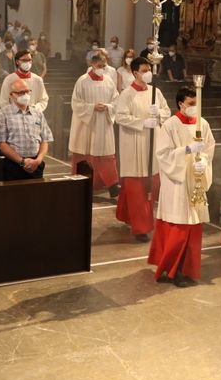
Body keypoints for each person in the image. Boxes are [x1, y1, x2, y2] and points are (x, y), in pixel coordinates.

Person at [149, 86, 215, 287]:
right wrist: (186, 150)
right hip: (176, 182)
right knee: (178, 228)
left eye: (196, 103)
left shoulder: (202, 123)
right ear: (180, 104)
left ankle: (187, 269)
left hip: (195, 180)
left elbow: (209, 149)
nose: (194, 107)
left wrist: (202, 161)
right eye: (191, 104)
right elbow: (163, 155)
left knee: (193, 228)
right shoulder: (170, 125)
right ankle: (173, 270)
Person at [114, 56, 170, 241]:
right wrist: (143, 122)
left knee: (150, 184)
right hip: (135, 143)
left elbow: (167, 111)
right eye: (144, 70)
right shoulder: (126, 94)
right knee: (136, 187)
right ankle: (141, 227)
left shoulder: (156, 92)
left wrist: (159, 114)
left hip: (153, 144)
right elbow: (120, 117)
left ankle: (126, 214)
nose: (148, 74)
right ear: (135, 72)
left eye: (149, 70)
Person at [69, 49, 121, 195]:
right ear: (92, 64)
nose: (102, 69)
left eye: (104, 66)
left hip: (103, 121)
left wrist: (108, 107)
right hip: (87, 124)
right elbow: (76, 103)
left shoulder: (109, 81)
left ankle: (111, 184)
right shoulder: (82, 81)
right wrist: (92, 108)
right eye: (99, 65)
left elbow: (116, 100)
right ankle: (79, 183)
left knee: (106, 155)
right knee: (83, 153)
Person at [0, 78, 53, 181]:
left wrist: (38, 161)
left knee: (37, 195)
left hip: (36, 165)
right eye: (20, 93)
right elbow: (1, 144)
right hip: (14, 165)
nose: (25, 95)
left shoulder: (38, 114)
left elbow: (45, 140)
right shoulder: (3, 114)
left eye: (27, 91)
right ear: (11, 95)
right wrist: (22, 161)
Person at [0, 49, 50, 114]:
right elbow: (4, 102)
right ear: (17, 61)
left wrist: (34, 109)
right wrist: (14, 112)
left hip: (34, 115)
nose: (27, 63)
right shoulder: (9, 79)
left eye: (29, 60)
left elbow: (44, 99)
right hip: (14, 117)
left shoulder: (38, 80)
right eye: (24, 60)